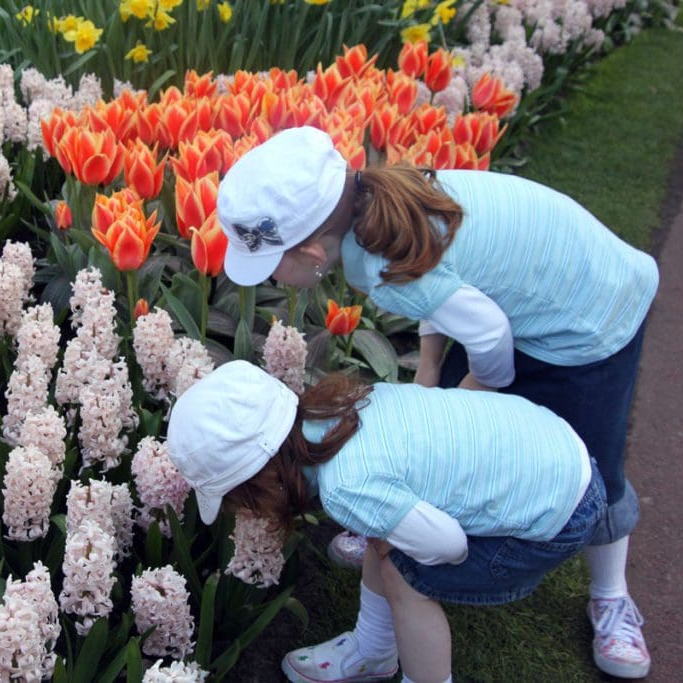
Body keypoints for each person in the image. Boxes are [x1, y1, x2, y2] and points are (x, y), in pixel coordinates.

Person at [215, 126, 657, 678]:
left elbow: (489, 333)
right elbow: (444, 281)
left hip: (591, 313)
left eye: (271, 265)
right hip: (528, 297)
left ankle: (610, 597)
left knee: (595, 459)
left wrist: (478, 391)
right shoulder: (382, 201)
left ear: (310, 250)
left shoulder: (376, 261)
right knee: (445, 435)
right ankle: (390, 551)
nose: (271, 278)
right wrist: (429, 369)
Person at [167, 360, 606, 683]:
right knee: (387, 536)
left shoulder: (345, 486)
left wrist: (392, 546)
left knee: (405, 575)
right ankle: (373, 651)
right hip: (558, 444)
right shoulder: (342, 408)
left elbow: (449, 546)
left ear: (259, 481)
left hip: (557, 514)